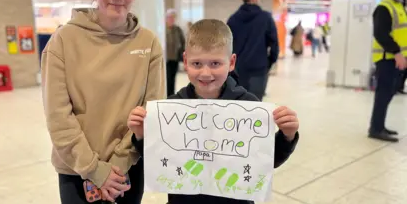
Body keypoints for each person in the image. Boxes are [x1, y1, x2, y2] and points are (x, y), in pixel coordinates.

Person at [41, 0, 166, 204]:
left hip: (127, 169)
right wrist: (95, 170)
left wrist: (117, 166)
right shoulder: (63, 41)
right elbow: (58, 118)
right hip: (77, 170)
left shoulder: (149, 43)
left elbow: (152, 111)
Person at [128, 19, 299, 204]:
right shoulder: (172, 109)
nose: (206, 73)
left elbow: (263, 164)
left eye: (215, 63)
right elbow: (161, 160)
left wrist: (287, 136)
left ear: (231, 62)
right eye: (197, 64)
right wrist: (141, 135)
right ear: (185, 61)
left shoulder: (248, 107)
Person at [369, 0, 407, 142]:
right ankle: (375, 129)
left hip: (397, 59)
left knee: (389, 93)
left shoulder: (400, 6)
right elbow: (380, 34)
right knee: (383, 94)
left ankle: (380, 126)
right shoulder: (384, 7)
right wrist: (397, 52)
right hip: (387, 59)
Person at [227, 0, 279, 101]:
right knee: (256, 104)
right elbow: (274, 42)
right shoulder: (265, 17)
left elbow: (227, 44)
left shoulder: (233, 19)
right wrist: (270, 61)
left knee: (239, 103)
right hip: (259, 68)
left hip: (238, 69)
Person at [165, 9, 185, 96]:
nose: (171, 19)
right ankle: (166, 94)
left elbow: (183, 42)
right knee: (167, 78)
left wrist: (183, 55)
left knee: (172, 78)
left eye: (173, 18)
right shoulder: (163, 29)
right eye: (169, 17)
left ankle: (171, 94)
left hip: (175, 58)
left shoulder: (177, 29)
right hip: (165, 59)